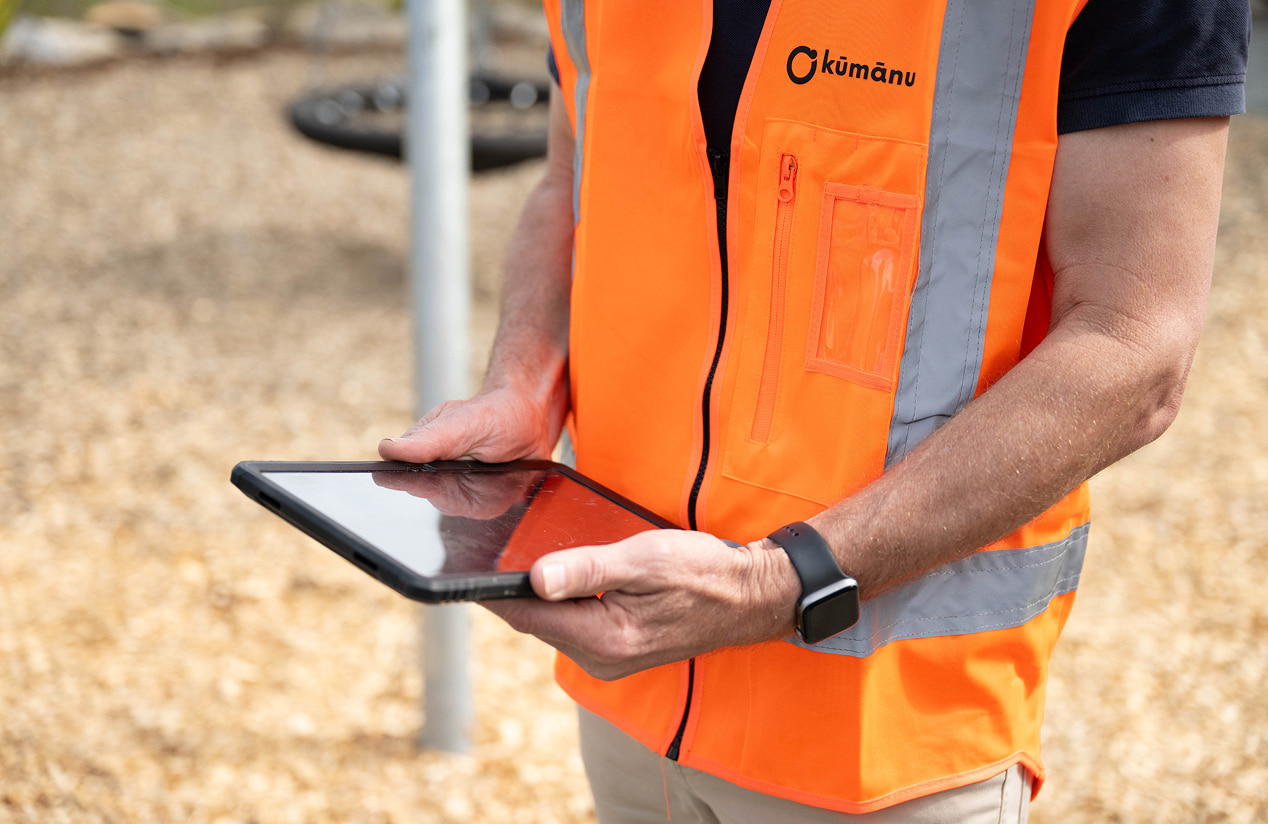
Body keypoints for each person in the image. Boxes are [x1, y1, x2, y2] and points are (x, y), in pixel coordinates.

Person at [381, 0, 1250, 820]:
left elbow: (1133, 348)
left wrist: (773, 583)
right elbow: (575, 176)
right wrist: (525, 385)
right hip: (629, 688)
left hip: (887, 743)